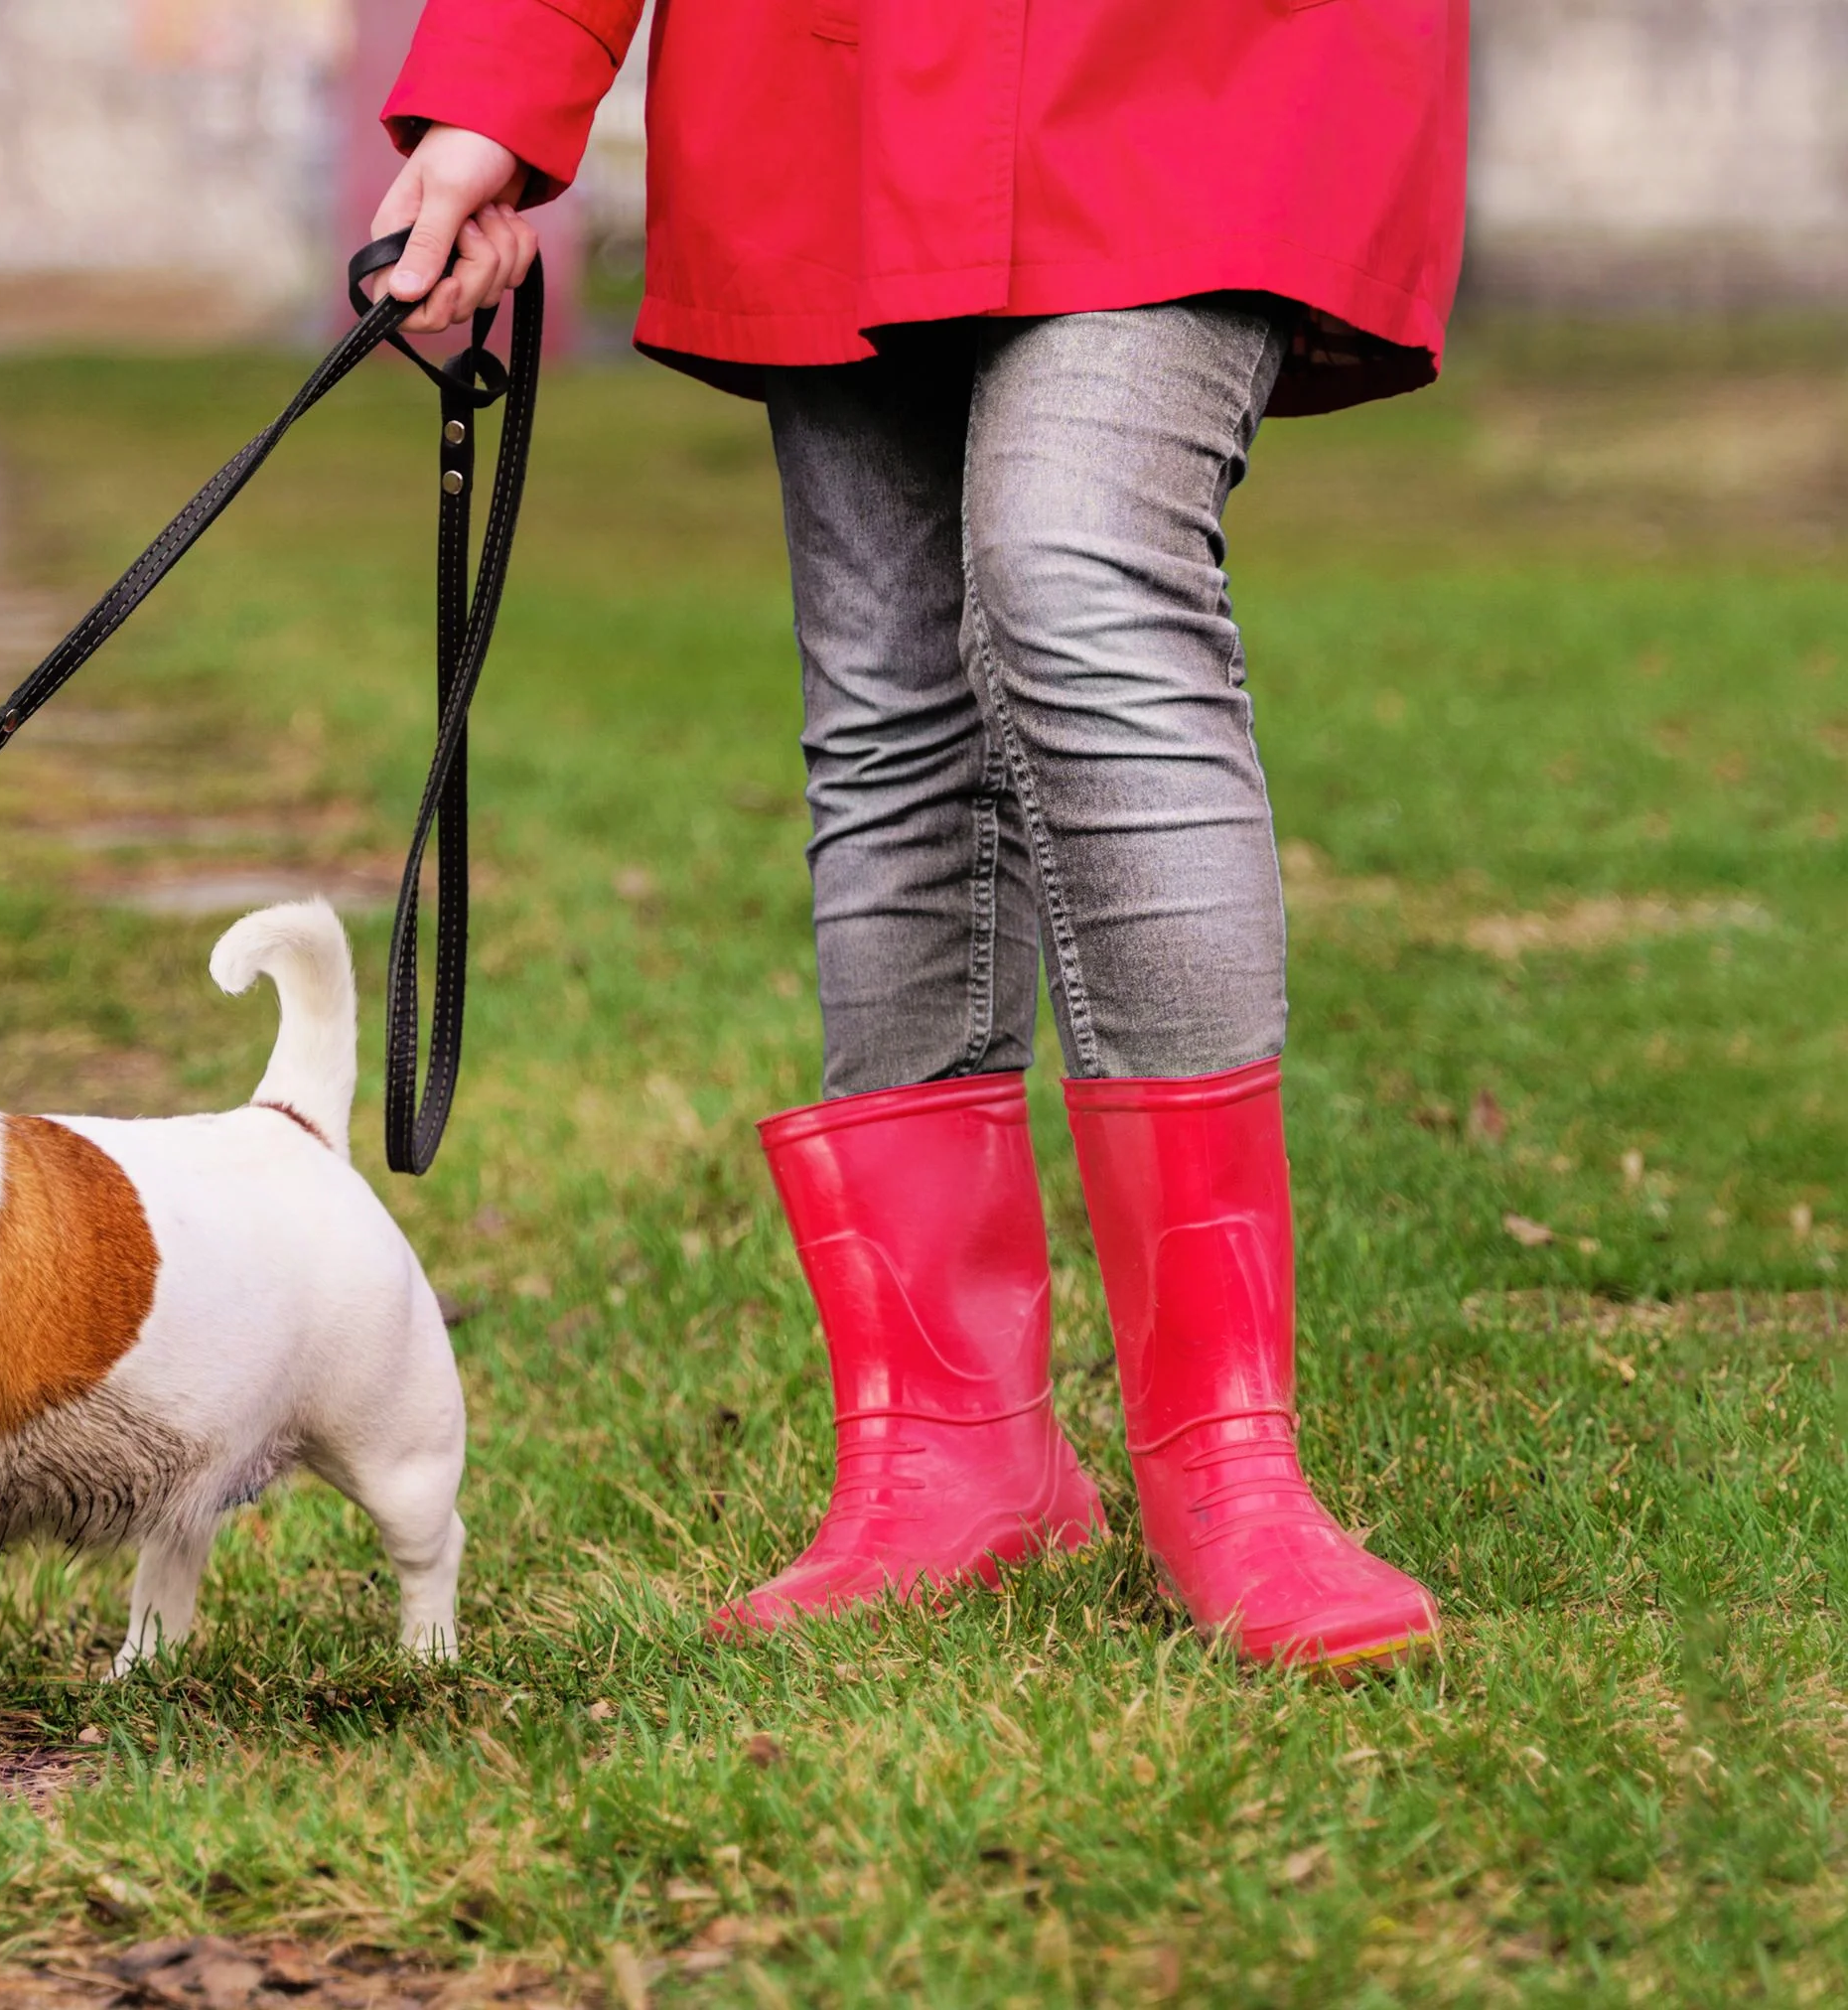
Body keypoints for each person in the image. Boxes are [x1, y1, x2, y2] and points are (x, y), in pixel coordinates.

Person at [363, 0, 1466, 1669]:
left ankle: (1227, 1453)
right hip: (834, 75)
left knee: (1081, 573)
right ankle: (953, 1448)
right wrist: (498, 104)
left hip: (1205, 59)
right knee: (888, 702)